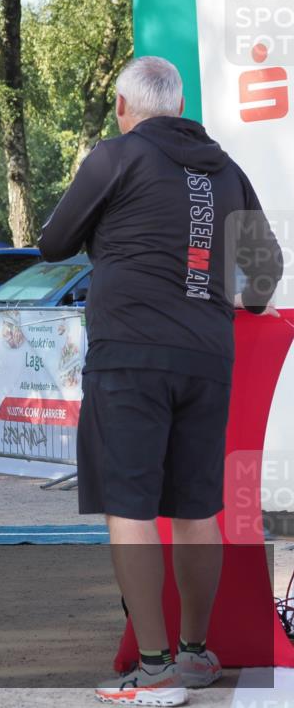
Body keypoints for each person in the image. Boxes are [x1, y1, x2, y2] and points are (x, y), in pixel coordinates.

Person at [38, 56, 283, 706]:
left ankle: (154, 670)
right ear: (179, 106)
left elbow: (52, 242)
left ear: (123, 106)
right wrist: (230, 290)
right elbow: (263, 276)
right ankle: (195, 654)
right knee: (198, 510)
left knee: (131, 508)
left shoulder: (116, 156)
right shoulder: (228, 170)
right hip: (207, 357)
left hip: (129, 357)